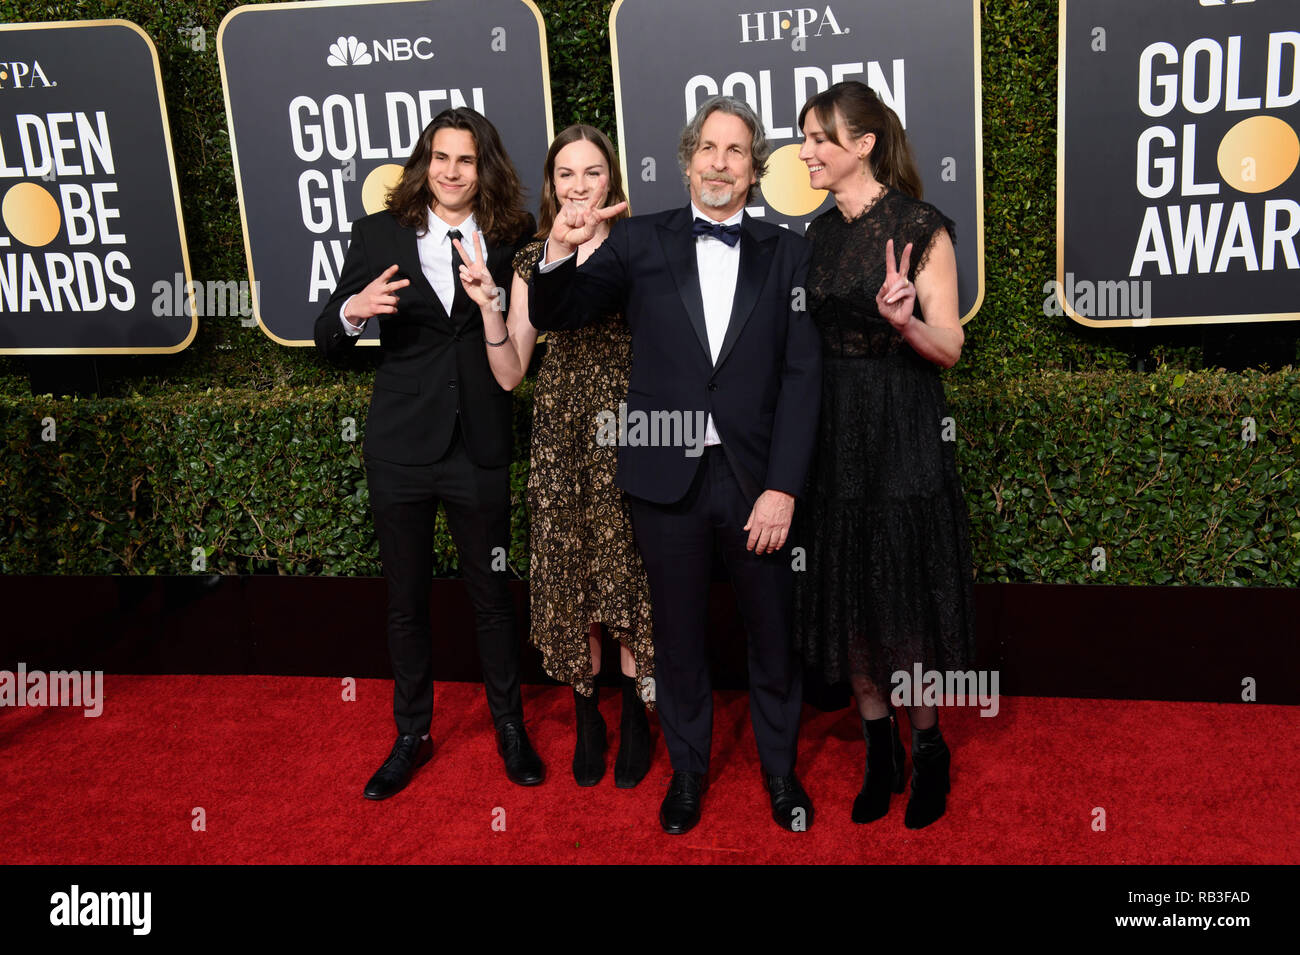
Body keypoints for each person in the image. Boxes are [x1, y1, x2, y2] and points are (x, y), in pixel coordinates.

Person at [528, 96, 823, 834]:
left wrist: (783, 486)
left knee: (772, 635)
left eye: (736, 151)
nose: (720, 162)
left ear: (753, 169)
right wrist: (562, 249)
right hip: (665, 480)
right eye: (709, 148)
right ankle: (688, 772)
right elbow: (559, 314)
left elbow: (802, 378)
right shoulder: (639, 241)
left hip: (759, 483)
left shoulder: (788, 253)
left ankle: (781, 772)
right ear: (688, 158)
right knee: (679, 638)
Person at [314, 107, 545, 800]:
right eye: (440, 158)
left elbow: (522, 344)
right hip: (401, 449)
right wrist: (355, 308)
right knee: (406, 601)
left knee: (492, 600)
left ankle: (509, 726)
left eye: (466, 160)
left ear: (484, 169)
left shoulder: (511, 238)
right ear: (424, 164)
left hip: (479, 444)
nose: (451, 171)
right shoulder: (378, 234)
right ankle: (411, 732)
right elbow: (327, 335)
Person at [793, 81, 976, 828]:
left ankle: (927, 746)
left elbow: (951, 348)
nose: (804, 151)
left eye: (818, 139)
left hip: (901, 427)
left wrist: (905, 325)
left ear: (863, 144)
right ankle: (880, 750)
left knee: (900, 594)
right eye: (803, 137)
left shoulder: (920, 225)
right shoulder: (814, 236)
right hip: (832, 433)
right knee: (851, 596)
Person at [453, 124, 655, 789]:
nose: (577, 186)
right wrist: (489, 308)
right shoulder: (530, 259)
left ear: (612, 181)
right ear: (551, 184)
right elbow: (510, 372)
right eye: (565, 174)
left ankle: (637, 713)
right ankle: (588, 713)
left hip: (630, 434)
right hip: (561, 441)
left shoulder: (638, 246)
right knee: (575, 578)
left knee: (628, 574)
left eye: (591, 172)